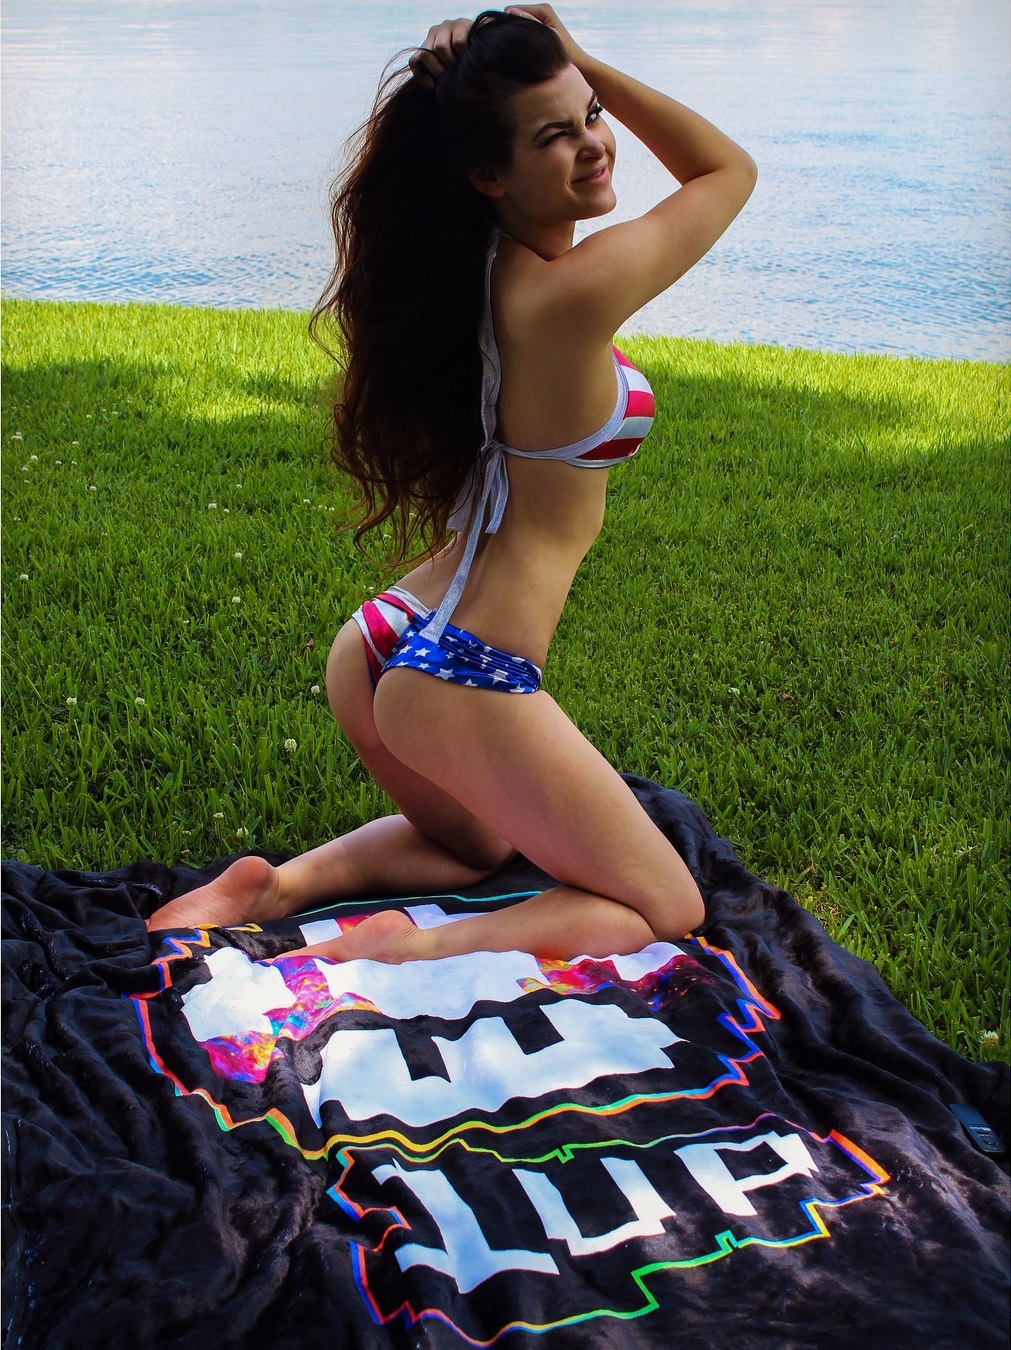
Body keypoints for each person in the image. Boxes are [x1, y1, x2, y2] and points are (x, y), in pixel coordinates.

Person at [147, 5, 756, 963]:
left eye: (592, 115)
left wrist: (496, 83)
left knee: (474, 847)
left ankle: (280, 884)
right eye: (554, 135)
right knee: (661, 910)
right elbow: (727, 172)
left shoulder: (471, 268)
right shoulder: (568, 294)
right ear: (486, 174)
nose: (594, 144)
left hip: (384, 639)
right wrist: (582, 59)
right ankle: (407, 946)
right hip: (461, 676)